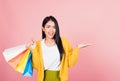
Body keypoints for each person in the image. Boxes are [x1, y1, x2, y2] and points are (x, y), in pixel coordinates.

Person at [27, 16, 91, 81]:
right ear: (43, 28)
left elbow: (69, 62)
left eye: (54, 27)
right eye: (48, 27)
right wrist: (34, 49)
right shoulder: (38, 45)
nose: (51, 30)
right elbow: (36, 66)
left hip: (59, 79)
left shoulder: (64, 42)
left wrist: (77, 48)